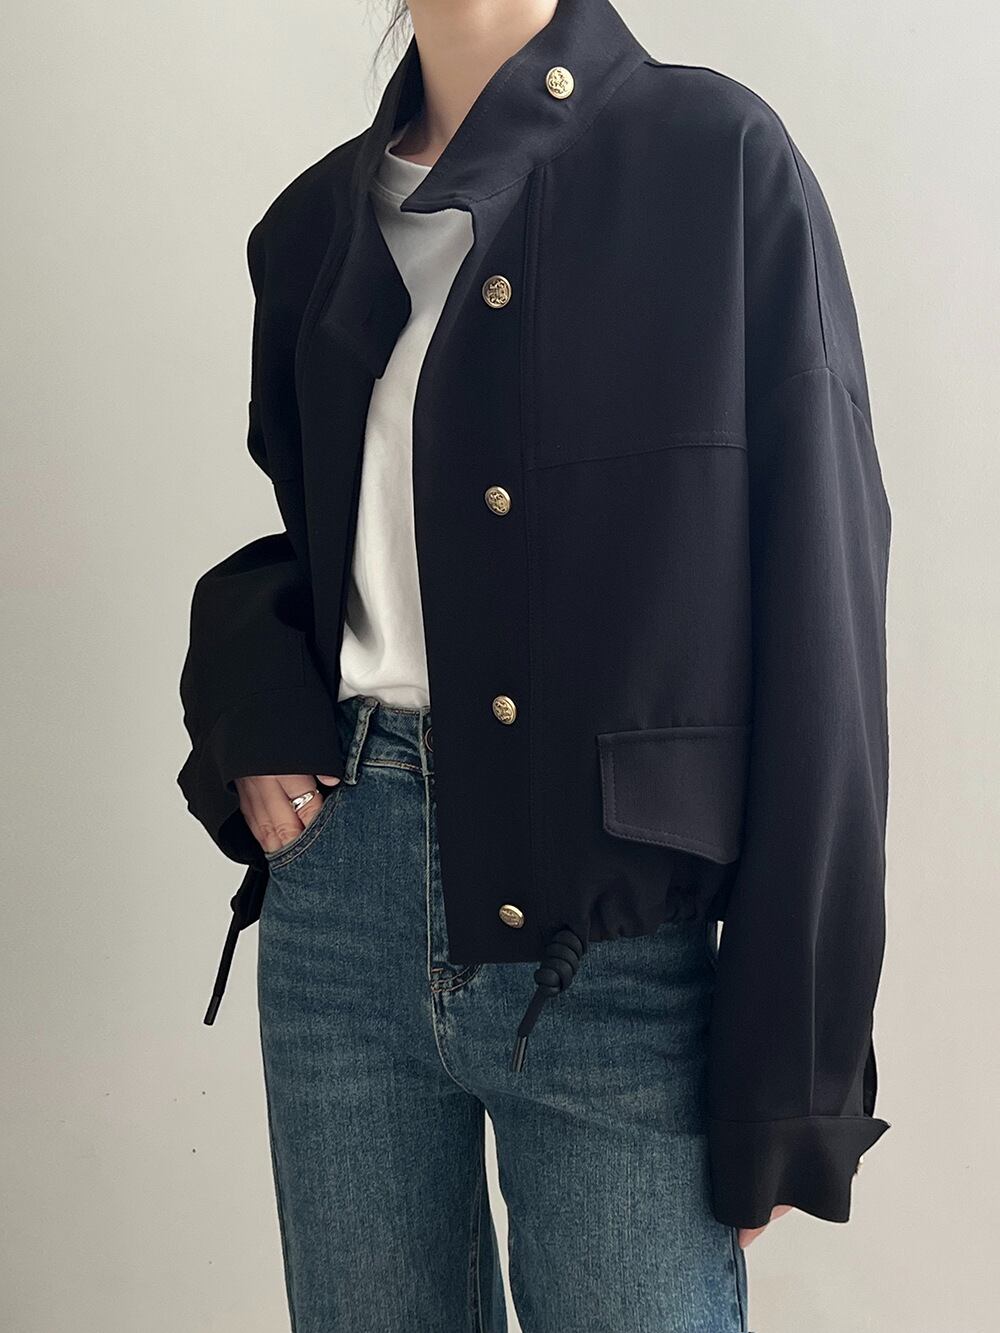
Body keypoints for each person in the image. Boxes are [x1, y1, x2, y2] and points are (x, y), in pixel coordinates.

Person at [177, 1, 892, 1328]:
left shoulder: (715, 161)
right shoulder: (314, 229)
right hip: (343, 911)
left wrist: (795, 1057)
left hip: (614, 945)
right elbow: (321, 555)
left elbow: (824, 609)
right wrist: (248, 699)